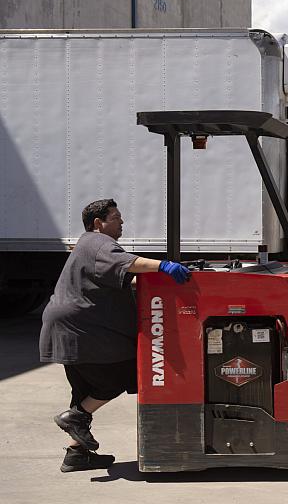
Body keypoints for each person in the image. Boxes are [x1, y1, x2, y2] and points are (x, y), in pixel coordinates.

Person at [39, 199, 191, 472]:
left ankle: (77, 454)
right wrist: (163, 266)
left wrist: (153, 281)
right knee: (121, 375)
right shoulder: (98, 243)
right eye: (116, 217)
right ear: (98, 223)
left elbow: (118, 277)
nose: (122, 223)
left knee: (85, 391)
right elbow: (127, 262)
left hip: (67, 330)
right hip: (82, 330)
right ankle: (76, 418)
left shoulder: (87, 246)